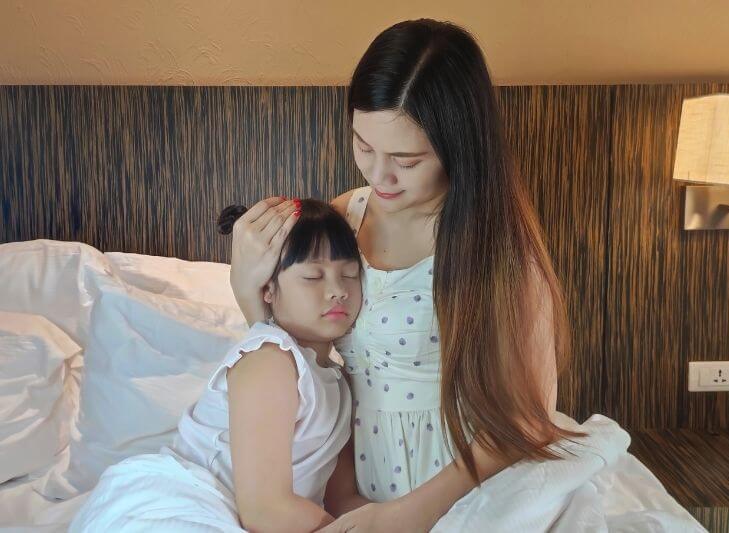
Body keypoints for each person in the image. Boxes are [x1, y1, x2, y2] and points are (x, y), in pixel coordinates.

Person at [229, 19, 580, 532]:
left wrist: (404, 516)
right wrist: (249, 293)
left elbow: (523, 418)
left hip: (457, 486)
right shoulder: (344, 217)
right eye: (364, 146)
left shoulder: (495, 250)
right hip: (351, 479)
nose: (379, 175)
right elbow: (304, 360)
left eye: (406, 160)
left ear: (457, 147)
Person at [70, 199, 367, 532]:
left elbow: (342, 501)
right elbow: (266, 511)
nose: (337, 290)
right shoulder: (270, 359)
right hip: (182, 495)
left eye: (349, 274)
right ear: (268, 289)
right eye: (313, 276)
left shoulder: (339, 383)